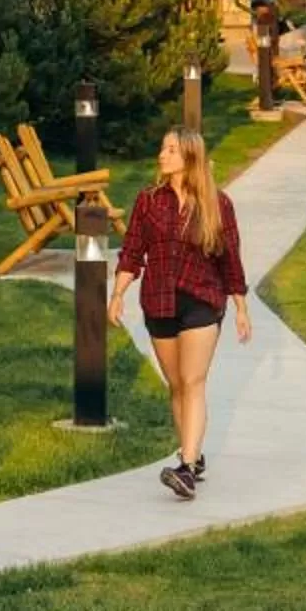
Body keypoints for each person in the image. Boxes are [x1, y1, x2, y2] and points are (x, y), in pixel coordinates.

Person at [110, 124, 250, 500]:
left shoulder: (217, 205)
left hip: (202, 300)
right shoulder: (148, 201)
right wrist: (118, 293)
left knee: (193, 381)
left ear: (189, 155)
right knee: (176, 385)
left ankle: (185, 468)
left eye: (170, 150)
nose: (162, 155)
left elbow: (230, 259)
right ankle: (195, 453)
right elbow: (131, 250)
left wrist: (240, 306)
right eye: (162, 149)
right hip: (158, 301)